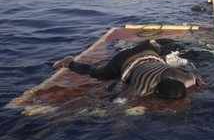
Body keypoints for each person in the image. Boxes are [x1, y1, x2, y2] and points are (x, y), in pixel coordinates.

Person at [53, 39, 204, 99]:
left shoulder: (186, 79)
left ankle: (149, 43)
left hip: (148, 50)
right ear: (156, 92)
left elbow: (196, 77)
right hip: (123, 60)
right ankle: (70, 62)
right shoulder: (141, 88)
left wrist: (201, 84)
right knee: (97, 73)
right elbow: (119, 102)